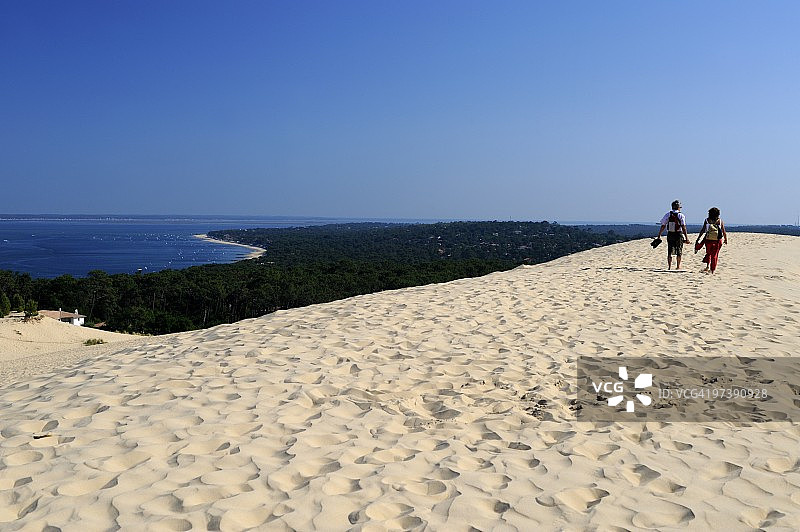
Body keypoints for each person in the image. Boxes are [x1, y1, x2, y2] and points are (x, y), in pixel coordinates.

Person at [656, 200, 690, 270]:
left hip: (670, 234)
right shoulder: (681, 215)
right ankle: (678, 266)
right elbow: (683, 227)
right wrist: (686, 238)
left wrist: (659, 235)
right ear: (679, 207)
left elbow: (663, 225)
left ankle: (669, 266)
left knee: (669, 250)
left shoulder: (668, 214)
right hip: (678, 234)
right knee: (679, 250)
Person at [696, 207, 727, 273]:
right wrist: (725, 239)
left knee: (709, 253)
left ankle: (707, 266)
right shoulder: (720, 221)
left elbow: (703, 230)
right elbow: (723, 231)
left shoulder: (707, 220)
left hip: (708, 240)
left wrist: (699, 237)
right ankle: (712, 269)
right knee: (715, 255)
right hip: (718, 241)